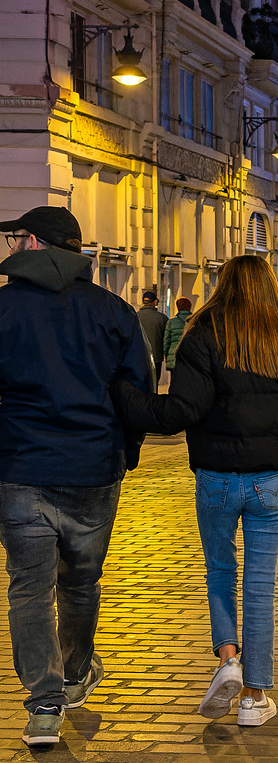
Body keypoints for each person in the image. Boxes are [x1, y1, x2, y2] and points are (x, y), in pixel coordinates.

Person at [115, 255, 278, 726]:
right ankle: (254, 696)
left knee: (218, 570)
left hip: (214, 479)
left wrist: (126, 397)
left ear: (222, 285)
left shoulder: (203, 336)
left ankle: (228, 659)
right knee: (260, 586)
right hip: (269, 484)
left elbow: (179, 412)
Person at [0, 206, 151, 747]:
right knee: (80, 582)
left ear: (35, 243)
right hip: (92, 467)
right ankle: (75, 671)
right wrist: (123, 453)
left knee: (29, 589)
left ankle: (44, 706)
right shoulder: (112, 311)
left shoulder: (2, 308)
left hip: (20, 468)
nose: (11, 246)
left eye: (16, 237)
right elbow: (137, 392)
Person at [138, 289, 168, 384]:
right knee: (154, 381)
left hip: (139, 355)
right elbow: (166, 338)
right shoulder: (162, 318)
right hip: (156, 356)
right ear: (154, 301)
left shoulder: (135, 315)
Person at [164, 296, 193, 373]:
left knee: (174, 382)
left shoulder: (171, 322)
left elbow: (166, 342)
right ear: (189, 307)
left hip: (174, 357)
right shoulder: (195, 321)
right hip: (191, 358)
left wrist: (168, 357)